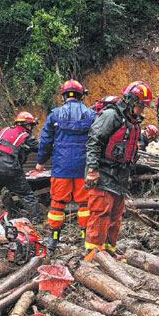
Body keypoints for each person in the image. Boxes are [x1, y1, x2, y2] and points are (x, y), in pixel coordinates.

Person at [83, 81, 152, 257]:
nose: (142, 110)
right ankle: (93, 256)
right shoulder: (111, 115)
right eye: (140, 106)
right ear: (130, 101)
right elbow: (94, 142)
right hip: (103, 174)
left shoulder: (134, 121)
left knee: (115, 218)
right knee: (100, 215)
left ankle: (109, 254)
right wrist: (92, 169)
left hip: (120, 176)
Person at [36, 79, 96, 254]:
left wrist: (40, 162)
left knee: (57, 203)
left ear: (63, 96)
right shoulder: (91, 114)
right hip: (83, 168)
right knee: (85, 204)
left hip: (61, 168)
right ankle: (86, 240)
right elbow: (98, 140)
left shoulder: (54, 115)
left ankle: (53, 241)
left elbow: (45, 141)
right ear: (80, 95)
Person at [0, 111, 42, 221]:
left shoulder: (4, 131)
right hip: (10, 168)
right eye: (31, 126)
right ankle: (38, 221)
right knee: (26, 195)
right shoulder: (25, 136)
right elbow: (42, 148)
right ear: (27, 125)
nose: (31, 129)